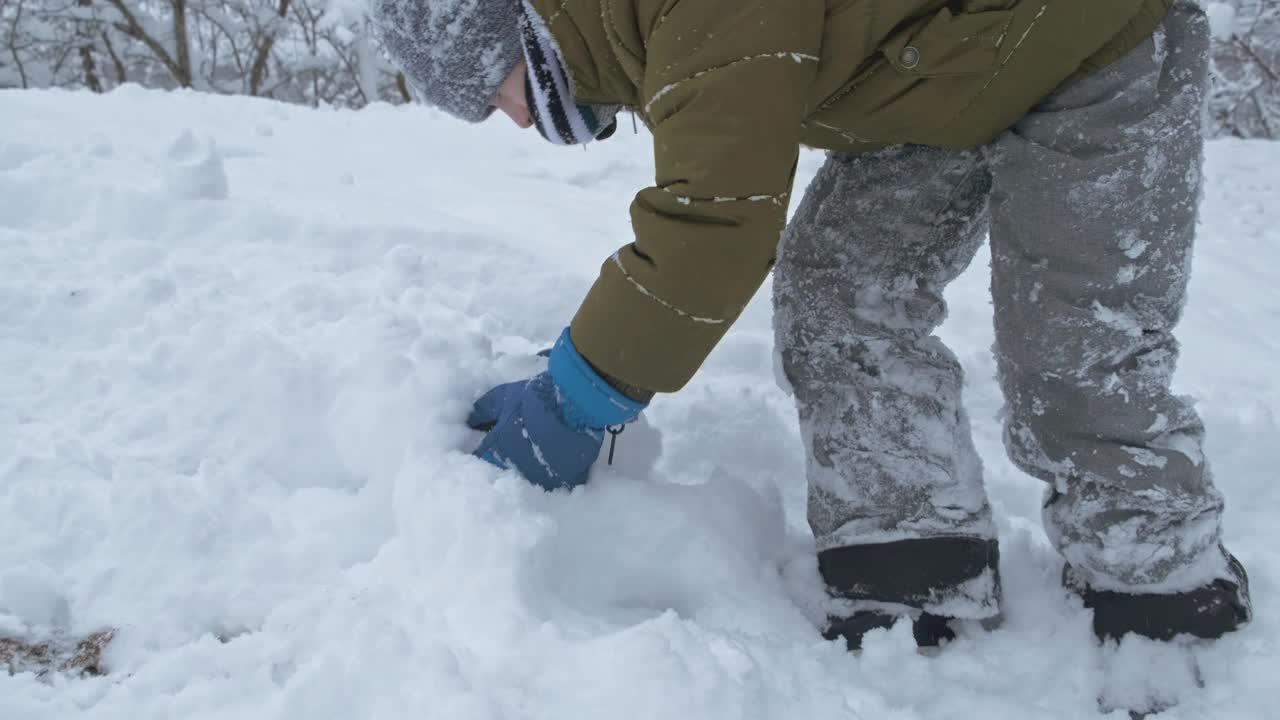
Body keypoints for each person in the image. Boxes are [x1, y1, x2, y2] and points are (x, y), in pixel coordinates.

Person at [372, 0, 1252, 649]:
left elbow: (714, 225)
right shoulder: (639, 24)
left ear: (522, 25)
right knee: (839, 286)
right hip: (941, 65)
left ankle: (1159, 596)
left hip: (1096, 41)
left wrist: (573, 398)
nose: (516, 119)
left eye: (494, 92)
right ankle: (910, 556)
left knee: (1074, 344)